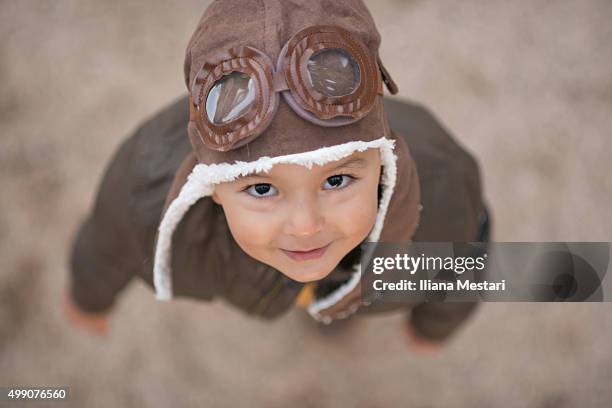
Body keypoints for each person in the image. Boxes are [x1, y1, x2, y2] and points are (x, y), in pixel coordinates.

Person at [65, 0, 491, 353]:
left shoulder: (443, 185)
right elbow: (105, 244)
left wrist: (434, 326)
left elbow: (465, 266)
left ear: (382, 162)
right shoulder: (144, 191)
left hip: (366, 268)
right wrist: (89, 300)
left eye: (337, 180)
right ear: (212, 183)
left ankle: (334, 304)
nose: (305, 226)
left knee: (340, 298)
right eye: (263, 188)